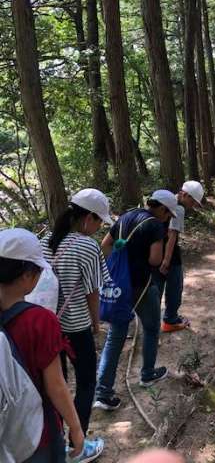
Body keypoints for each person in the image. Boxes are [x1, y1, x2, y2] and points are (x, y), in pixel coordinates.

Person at [0, 228, 84, 463]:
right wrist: (76, 427)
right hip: (35, 433)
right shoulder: (40, 321)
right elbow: (55, 385)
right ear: (27, 275)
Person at [41, 188, 112, 462]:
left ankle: (57, 442)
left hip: (48, 326)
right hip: (76, 327)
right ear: (88, 218)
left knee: (55, 385)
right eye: (99, 221)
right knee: (86, 383)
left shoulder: (46, 241)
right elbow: (93, 292)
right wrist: (96, 324)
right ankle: (78, 446)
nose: (99, 227)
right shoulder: (88, 246)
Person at [95, 190, 178, 411]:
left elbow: (105, 244)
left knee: (115, 336)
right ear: (162, 208)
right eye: (168, 214)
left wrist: (116, 266)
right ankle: (147, 374)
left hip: (118, 284)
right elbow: (155, 259)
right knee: (151, 328)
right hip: (141, 285)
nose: (167, 218)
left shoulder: (126, 216)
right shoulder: (155, 226)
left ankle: (103, 392)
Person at [159, 181, 204, 333]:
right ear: (185, 195)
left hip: (154, 248)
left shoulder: (166, 199)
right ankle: (170, 320)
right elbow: (172, 235)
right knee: (175, 285)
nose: (193, 205)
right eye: (193, 201)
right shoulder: (178, 208)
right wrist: (167, 260)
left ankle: (153, 319)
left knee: (157, 285)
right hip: (168, 252)